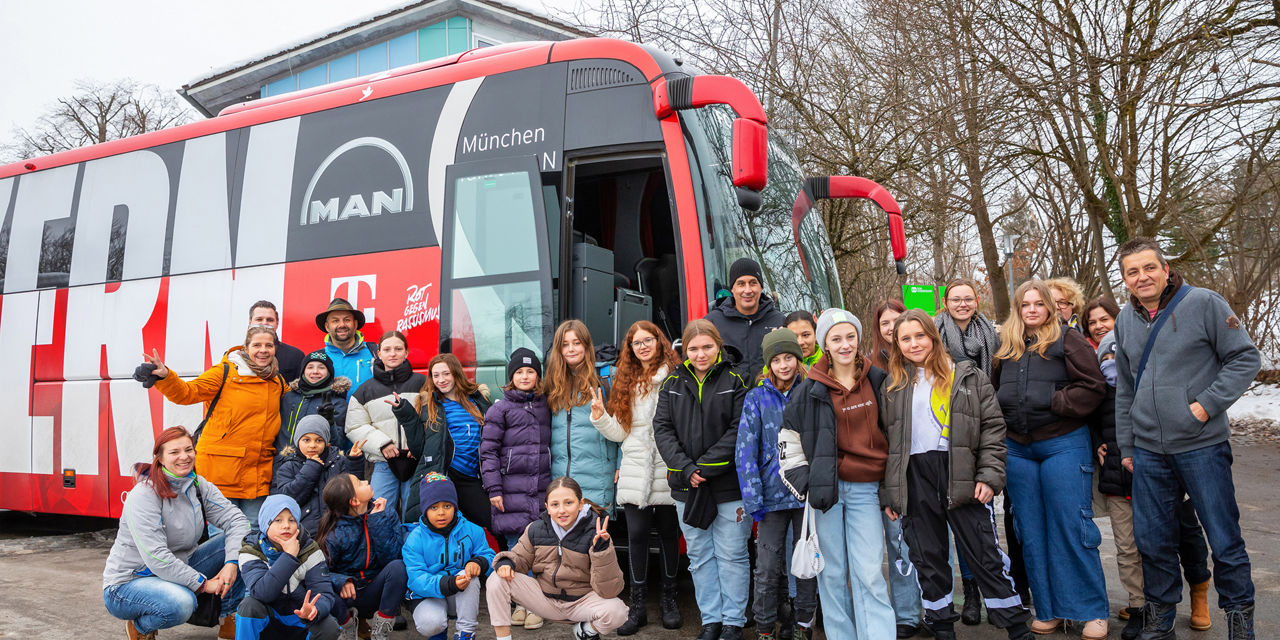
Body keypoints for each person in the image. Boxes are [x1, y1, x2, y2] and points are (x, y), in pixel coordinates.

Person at [1112, 238, 1261, 638]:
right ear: (1125, 280)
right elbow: (1125, 388)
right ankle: (1161, 620)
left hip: (1201, 446)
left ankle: (1239, 619)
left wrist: (1206, 405)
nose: (1141, 277)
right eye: (1132, 272)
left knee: (1223, 536)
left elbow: (1245, 357)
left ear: (1165, 269)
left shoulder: (1204, 303)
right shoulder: (1125, 320)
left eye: (1148, 268)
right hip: (1148, 452)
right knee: (1153, 540)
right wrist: (1128, 445)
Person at [880, 309, 1033, 640]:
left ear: (933, 337)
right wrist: (891, 493)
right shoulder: (894, 386)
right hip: (914, 479)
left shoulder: (967, 376)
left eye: (920, 335)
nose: (913, 343)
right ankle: (942, 627)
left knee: (984, 555)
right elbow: (887, 445)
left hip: (960, 475)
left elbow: (993, 429)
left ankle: (1019, 629)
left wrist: (989, 476)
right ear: (897, 345)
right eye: (905, 338)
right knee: (928, 558)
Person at [1083, 295, 1214, 639]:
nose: (1098, 326)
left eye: (1104, 319)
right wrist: (1097, 439)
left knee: (1182, 534)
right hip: (1117, 468)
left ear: (1121, 320)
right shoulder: (1094, 373)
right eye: (1092, 323)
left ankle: (1199, 592)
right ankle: (1144, 606)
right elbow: (1092, 416)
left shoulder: (1144, 362)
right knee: (1130, 544)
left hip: (1162, 463)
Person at [993, 280, 1109, 639]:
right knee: (1030, 531)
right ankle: (1050, 609)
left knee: (1071, 526)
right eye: (1024, 304)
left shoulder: (1068, 339)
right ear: (1017, 308)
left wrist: (1051, 400)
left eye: (1037, 304)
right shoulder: (1007, 346)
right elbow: (994, 392)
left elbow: (1093, 387)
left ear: (1049, 307)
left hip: (1062, 443)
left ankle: (1091, 610)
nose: (1031, 310)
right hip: (1018, 450)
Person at [777, 309, 895, 639]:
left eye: (850, 337)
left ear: (859, 340)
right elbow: (788, 442)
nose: (845, 345)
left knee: (869, 572)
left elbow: (896, 433)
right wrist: (807, 485)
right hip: (826, 493)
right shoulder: (809, 389)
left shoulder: (878, 381)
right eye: (836, 338)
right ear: (824, 344)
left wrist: (892, 486)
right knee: (832, 574)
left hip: (866, 490)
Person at [654, 319, 751, 640]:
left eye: (707, 347)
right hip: (686, 488)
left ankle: (733, 622)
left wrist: (704, 467)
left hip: (728, 487)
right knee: (699, 556)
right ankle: (711, 620)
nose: (701, 354)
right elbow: (663, 429)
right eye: (693, 348)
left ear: (718, 346)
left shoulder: (735, 380)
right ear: (685, 350)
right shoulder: (671, 383)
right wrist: (685, 468)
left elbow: (739, 430)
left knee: (732, 555)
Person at [103, 427, 249, 640]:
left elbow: (238, 521)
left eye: (189, 450)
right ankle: (141, 627)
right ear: (160, 458)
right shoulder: (144, 495)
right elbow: (156, 557)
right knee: (182, 603)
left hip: (181, 565)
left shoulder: (198, 485)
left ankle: (229, 618)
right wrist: (204, 584)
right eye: (174, 452)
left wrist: (231, 562)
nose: (184, 457)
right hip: (130, 582)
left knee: (248, 542)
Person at [933, 278, 1020, 624]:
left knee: (975, 523)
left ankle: (983, 594)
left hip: (979, 423)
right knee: (948, 525)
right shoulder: (934, 333)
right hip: (942, 434)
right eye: (956, 299)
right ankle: (966, 594)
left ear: (977, 300)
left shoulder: (992, 337)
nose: (963, 304)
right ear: (945, 301)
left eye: (968, 298)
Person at [140, 325, 288, 528]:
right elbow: (187, 393)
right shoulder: (224, 372)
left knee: (254, 531)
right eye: (257, 345)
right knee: (222, 534)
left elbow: (295, 403)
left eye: (268, 345)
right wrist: (165, 375)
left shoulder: (276, 380)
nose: (263, 350)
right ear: (246, 347)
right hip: (222, 471)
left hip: (258, 473)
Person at [589, 321, 683, 635]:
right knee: (637, 535)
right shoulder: (627, 381)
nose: (642, 346)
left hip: (668, 465)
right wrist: (601, 417)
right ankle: (639, 606)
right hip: (635, 467)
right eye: (635, 343)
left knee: (670, 533)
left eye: (648, 340)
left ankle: (670, 601)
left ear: (659, 342)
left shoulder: (675, 375)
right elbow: (621, 432)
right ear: (630, 349)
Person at [735, 328, 818, 640]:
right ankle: (766, 628)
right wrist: (753, 499)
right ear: (768, 364)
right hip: (770, 499)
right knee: (767, 569)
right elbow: (745, 451)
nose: (784, 365)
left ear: (798, 359)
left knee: (805, 565)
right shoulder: (756, 398)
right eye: (777, 360)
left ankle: (802, 626)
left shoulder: (810, 391)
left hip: (805, 496)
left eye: (789, 358)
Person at [486, 477, 629, 640]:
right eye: (555, 504)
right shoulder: (535, 529)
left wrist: (601, 551)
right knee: (497, 578)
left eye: (568, 503)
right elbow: (519, 557)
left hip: (581, 603)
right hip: (544, 599)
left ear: (580, 504)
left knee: (618, 611)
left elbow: (610, 590)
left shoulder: (595, 534)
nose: (562, 510)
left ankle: (585, 630)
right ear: (547, 507)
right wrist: (507, 563)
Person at [476, 348, 552, 629]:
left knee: (539, 550)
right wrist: (494, 488)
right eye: (519, 372)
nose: (525, 376)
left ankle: (534, 605)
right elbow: (488, 452)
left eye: (530, 371)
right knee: (514, 551)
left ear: (537, 376)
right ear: (511, 377)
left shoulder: (546, 405)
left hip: (540, 490)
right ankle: (522, 602)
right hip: (509, 491)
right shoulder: (500, 409)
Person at [868, 300, 925, 636]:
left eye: (896, 321)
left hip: (927, 464)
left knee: (934, 542)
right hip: (892, 467)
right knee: (899, 543)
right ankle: (906, 614)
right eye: (885, 324)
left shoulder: (926, 364)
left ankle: (935, 608)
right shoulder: (873, 369)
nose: (891, 328)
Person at [393, 353, 493, 527]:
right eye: (436, 375)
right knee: (445, 530)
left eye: (446, 374)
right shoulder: (429, 404)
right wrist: (406, 415)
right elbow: (418, 449)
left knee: (492, 521)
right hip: (445, 475)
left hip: (473, 476)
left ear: (456, 373)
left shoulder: (478, 400)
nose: (441, 380)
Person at [404, 473, 496, 640]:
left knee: (470, 576)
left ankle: (465, 633)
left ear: (455, 506)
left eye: (447, 506)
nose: (441, 513)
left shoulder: (472, 529)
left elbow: (490, 555)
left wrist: (479, 562)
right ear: (425, 509)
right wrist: (448, 583)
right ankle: (438, 634)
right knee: (431, 623)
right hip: (428, 595)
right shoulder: (414, 539)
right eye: (434, 507)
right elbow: (416, 580)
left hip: (459, 596)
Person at [345, 330, 427, 518]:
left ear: (406, 352)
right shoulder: (365, 390)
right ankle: (383, 548)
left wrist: (418, 445)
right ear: (379, 354)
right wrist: (382, 444)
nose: (393, 354)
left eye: (398, 349)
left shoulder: (423, 383)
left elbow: (432, 419)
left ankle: (410, 548)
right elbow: (354, 426)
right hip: (383, 462)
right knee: (379, 513)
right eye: (387, 349)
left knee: (414, 513)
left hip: (416, 460)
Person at [234, 494, 339, 640]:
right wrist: (289, 556)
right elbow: (262, 593)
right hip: (270, 620)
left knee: (329, 626)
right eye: (278, 520)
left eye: (292, 520)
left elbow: (324, 592)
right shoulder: (251, 550)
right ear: (265, 524)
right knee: (249, 607)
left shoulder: (310, 550)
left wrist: (315, 609)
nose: (286, 525)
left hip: (300, 618)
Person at [316, 474, 407, 640]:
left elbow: (394, 556)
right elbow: (319, 572)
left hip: (375, 592)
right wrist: (341, 581)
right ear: (354, 501)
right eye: (360, 483)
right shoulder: (334, 532)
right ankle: (347, 628)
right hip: (347, 599)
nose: (366, 481)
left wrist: (377, 521)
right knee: (322, 587)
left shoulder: (386, 513)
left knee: (398, 567)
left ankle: (380, 633)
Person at [546, 320, 623, 511]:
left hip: (598, 476)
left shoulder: (607, 378)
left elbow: (626, 424)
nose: (571, 349)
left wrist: (623, 463)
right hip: (561, 482)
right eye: (565, 344)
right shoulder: (552, 383)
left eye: (577, 343)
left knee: (594, 535)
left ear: (587, 346)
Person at [271, 415, 367, 537]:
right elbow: (289, 498)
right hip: (304, 533)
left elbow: (353, 490)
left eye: (319, 440)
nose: (312, 445)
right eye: (306, 440)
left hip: (337, 530)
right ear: (297, 441)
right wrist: (311, 467)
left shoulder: (338, 461)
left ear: (326, 442)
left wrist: (354, 461)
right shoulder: (287, 466)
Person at [704, 257, 786, 376]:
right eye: (741, 284)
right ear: (732, 288)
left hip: (769, 393)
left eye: (753, 283)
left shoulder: (779, 320)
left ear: (761, 287)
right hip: (729, 394)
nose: (747, 290)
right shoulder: (712, 322)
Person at [279, 350, 351, 456]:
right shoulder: (289, 396)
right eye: (310, 367)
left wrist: (330, 423)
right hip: (284, 463)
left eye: (321, 367)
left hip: (318, 464)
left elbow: (338, 444)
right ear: (303, 371)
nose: (315, 371)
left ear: (329, 372)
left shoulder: (337, 402)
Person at [318, 298, 378, 400]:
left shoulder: (375, 352)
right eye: (335, 320)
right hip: (332, 415)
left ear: (355, 324)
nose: (342, 325)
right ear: (327, 327)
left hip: (370, 415)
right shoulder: (318, 358)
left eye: (347, 320)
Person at [250, 300, 305, 383]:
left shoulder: (296, 356)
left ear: (277, 323)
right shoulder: (235, 357)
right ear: (250, 322)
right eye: (259, 319)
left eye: (270, 320)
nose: (264, 323)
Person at [870, 300, 905, 370]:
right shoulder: (870, 366)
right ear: (878, 328)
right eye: (885, 323)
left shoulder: (921, 356)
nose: (892, 327)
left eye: (897, 320)